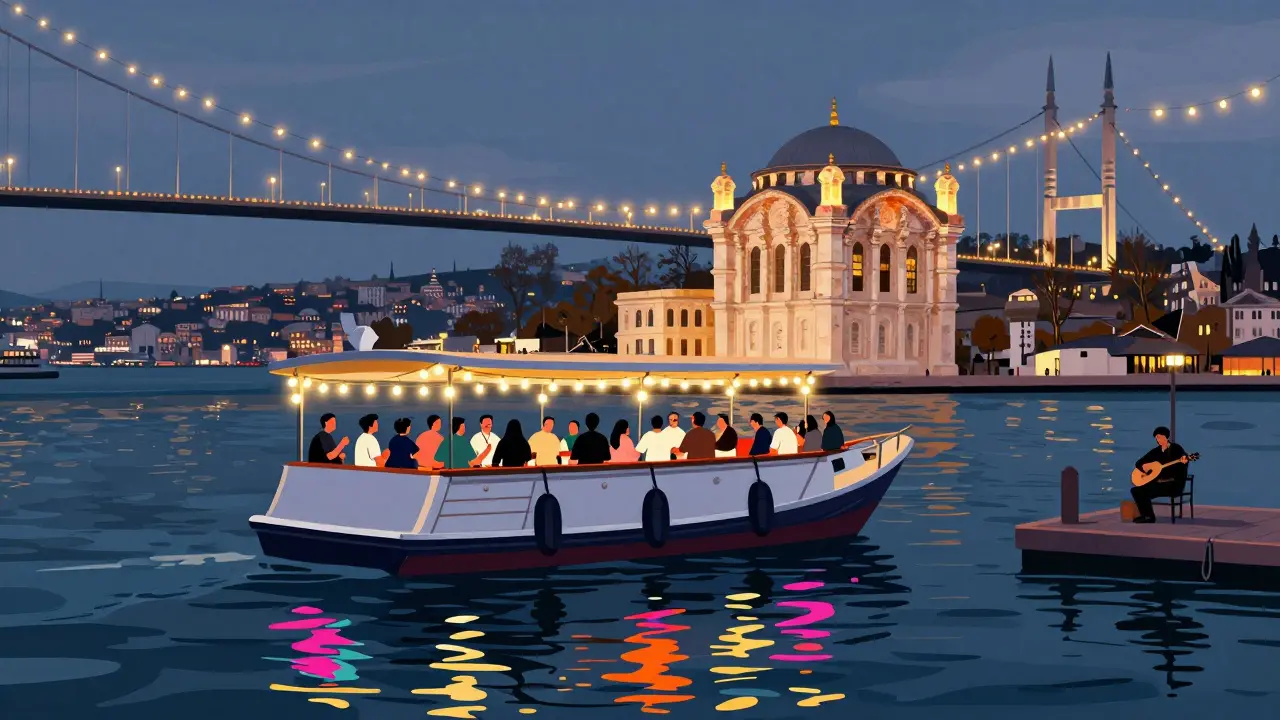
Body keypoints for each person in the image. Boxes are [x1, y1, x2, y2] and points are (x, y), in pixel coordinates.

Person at [1130, 426, 1190, 524]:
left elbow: (1184, 457)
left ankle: (1148, 517)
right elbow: (1139, 463)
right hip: (1159, 483)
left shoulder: (1176, 449)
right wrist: (1145, 467)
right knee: (1136, 490)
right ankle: (1147, 516)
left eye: (1160, 437)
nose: (1158, 440)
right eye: (1156, 438)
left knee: (1145, 491)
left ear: (1166, 437)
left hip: (1173, 484)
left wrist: (1184, 460)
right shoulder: (1156, 451)